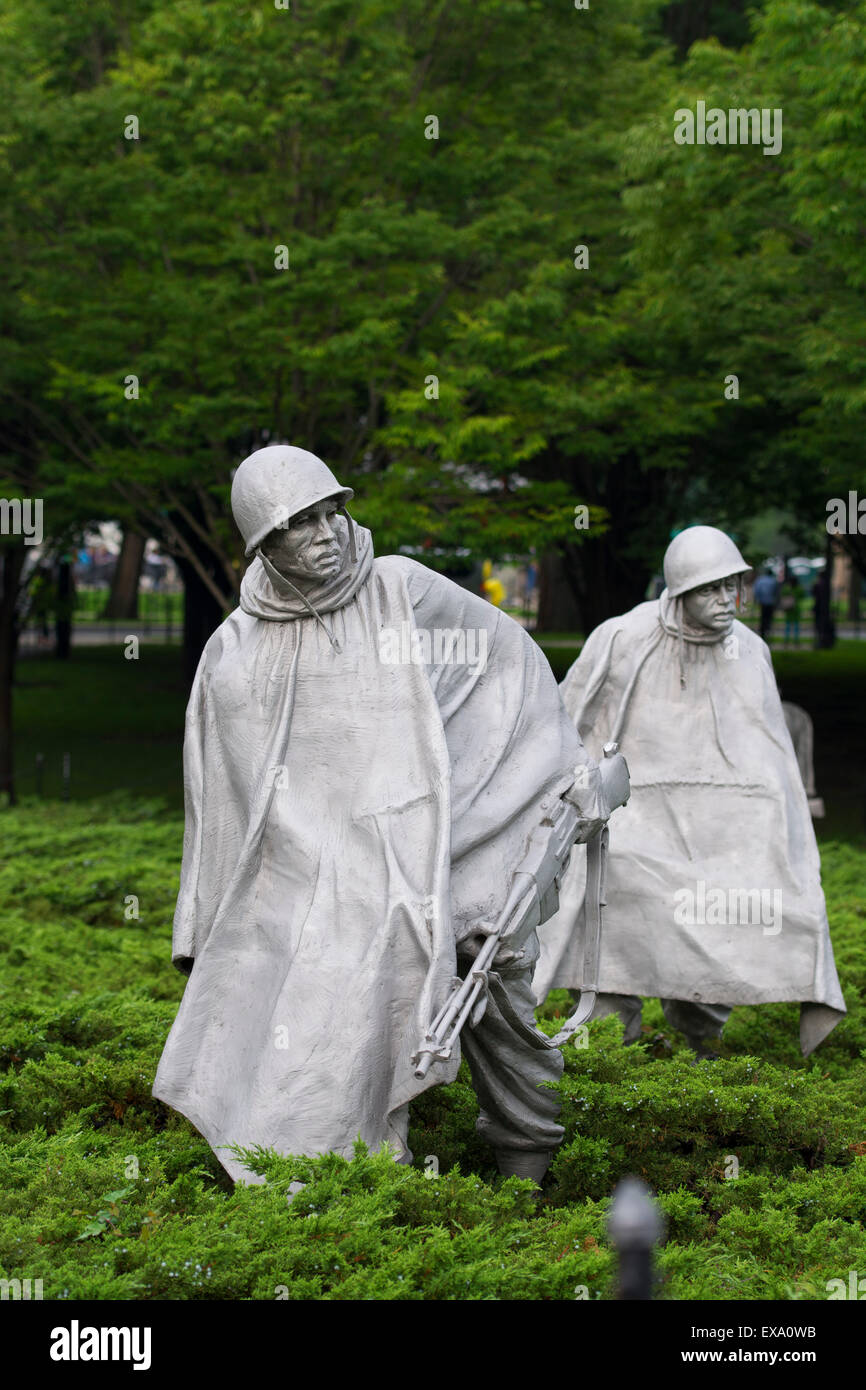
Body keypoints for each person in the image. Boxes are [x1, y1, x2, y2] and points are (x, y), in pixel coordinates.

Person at [153, 445, 610, 1185]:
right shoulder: (233, 653)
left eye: (333, 511)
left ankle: (525, 1155)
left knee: (480, 952)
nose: (327, 532)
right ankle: (327, 1171)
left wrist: (501, 810)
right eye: (301, 523)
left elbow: (510, 671)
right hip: (313, 880)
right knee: (310, 971)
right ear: (264, 543)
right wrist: (216, 925)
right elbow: (225, 809)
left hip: (433, 848)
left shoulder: (402, 591)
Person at [534, 525, 846, 1058]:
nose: (726, 601)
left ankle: (703, 1048)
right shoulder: (623, 637)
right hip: (632, 820)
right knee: (612, 930)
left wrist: (778, 840)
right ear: (680, 592)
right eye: (710, 589)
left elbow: (772, 762)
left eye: (733, 587)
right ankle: (612, 1058)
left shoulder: (748, 651)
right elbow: (566, 718)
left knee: (726, 920)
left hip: (716, 828)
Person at [752, 564, 780, 642]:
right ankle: (768, 631)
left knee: (763, 618)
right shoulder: (773, 581)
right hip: (770, 602)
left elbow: (756, 591)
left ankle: (763, 632)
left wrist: (756, 600)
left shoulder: (760, 580)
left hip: (762, 602)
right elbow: (776, 593)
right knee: (769, 618)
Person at [780, 574, 802, 647]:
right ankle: (796, 641)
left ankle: (786, 641)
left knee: (788, 626)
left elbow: (782, 594)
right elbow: (803, 595)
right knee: (796, 626)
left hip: (788, 609)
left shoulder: (787, 588)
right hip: (796, 609)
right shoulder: (799, 589)